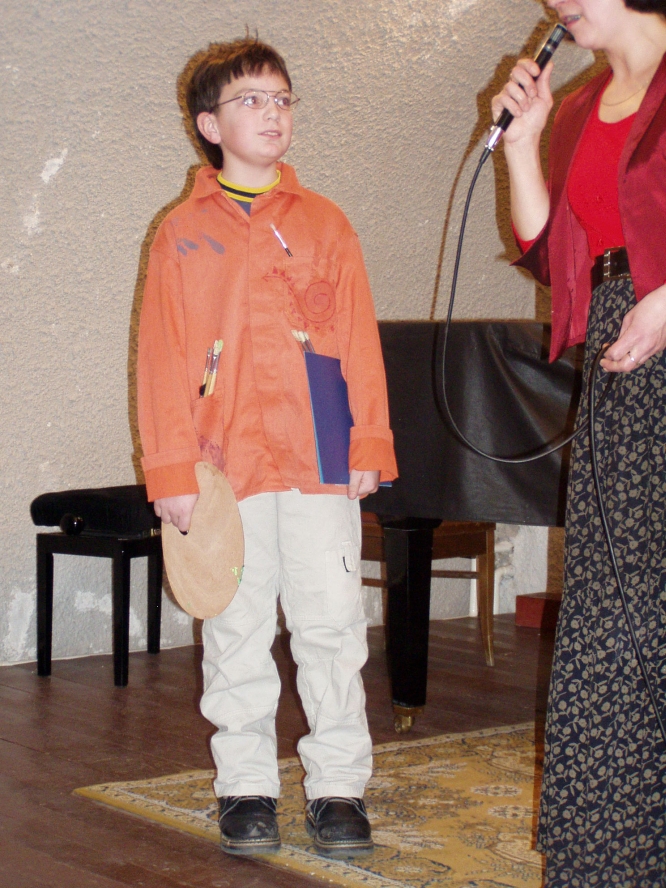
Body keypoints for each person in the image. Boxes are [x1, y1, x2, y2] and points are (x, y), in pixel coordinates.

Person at [137, 36, 398, 859]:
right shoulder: (181, 234)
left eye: (283, 99)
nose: (272, 113)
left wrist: (370, 439)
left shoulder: (327, 224)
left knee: (332, 626)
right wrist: (171, 472)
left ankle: (338, 789)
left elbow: (359, 340)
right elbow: (161, 358)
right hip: (223, 469)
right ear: (210, 125)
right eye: (251, 100)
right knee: (236, 629)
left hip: (320, 458)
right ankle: (245, 786)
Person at [492, 1, 666, 885]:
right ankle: (607, 854)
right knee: (611, 611)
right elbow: (548, 249)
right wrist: (523, 144)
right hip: (621, 354)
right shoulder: (576, 107)